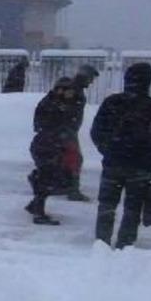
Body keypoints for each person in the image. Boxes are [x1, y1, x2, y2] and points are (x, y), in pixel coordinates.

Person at [90, 62, 151, 249]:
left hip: (113, 163)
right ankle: (125, 245)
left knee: (106, 205)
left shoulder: (112, 102)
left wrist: (107, 149)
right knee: (133, 208)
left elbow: (96, 131)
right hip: (142, 166)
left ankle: (101, 244)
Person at [25, 77, 79, 225]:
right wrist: (58, 135)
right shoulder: (51, 104)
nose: (71, 94)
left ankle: (35, 204)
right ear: (61, 90)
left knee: (52, 177)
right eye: (69, 90)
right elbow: (42, 125)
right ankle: (38, 212)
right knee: (47, 178)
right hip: (46, 146)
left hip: (52, 145)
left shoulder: (59, 103)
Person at [63, 64, 101, 201]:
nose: (91, 82)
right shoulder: (73, 89)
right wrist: (66, 128)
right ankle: (73, 191)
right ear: (85, 76)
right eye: (91, 79)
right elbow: (64, 108)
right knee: (75, 159)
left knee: (68, 159)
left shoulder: (75, 88)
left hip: (68, 130)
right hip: (66, 130)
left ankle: (64, 186)